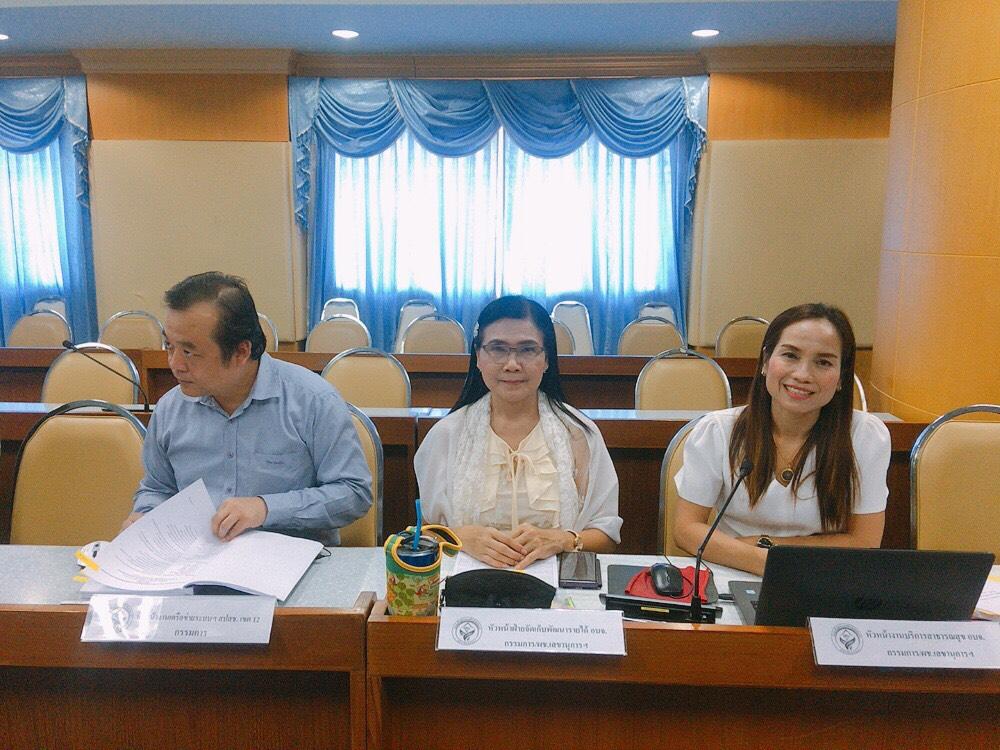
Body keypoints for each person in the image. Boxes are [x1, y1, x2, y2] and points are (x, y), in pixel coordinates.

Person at [127, 272, 371, 545]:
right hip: (197, 558)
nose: (175, 364)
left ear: (241, 352)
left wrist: (266, 508)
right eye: (169, 346)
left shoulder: (312, 400)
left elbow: (353, 493)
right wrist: (145, 514)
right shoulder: (170, 409)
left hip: (290, 557)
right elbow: (158, 488)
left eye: (189, 352)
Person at [672, 303, 890, 576]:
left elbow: (864, 542)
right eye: (790, 355)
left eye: (823, 362)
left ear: (841, 378)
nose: (802, 374)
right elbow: (686, 529)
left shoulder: (866, 437)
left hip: (823, 576)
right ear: (765, 361)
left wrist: (767, 545)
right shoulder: (717, 431)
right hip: (733, 572)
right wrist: (766, 563)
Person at [414, 295, 621, 569]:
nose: (512, 364)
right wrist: (459, 538)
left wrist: (564, 540)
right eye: (498, 349)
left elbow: (607, 537)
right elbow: (424, 535)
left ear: (547, 359)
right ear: (478, 356)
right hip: (468, 584)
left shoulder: (580, 435)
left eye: (527, 349)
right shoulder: (446, 435)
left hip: (557, 586)